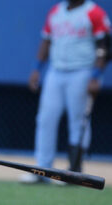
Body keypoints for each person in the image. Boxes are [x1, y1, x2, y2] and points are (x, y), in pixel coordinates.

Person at [21, 0, 110, 183]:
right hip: (56, 70)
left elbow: (105, 46)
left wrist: (96, 75)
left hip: (83, 71)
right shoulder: (56, 11)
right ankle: (42, 169)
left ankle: (74, 170)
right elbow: (46, 40)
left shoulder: (94, 12)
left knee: (79, 120)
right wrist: (36, 68)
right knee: (46, 118)